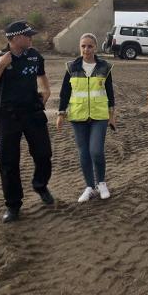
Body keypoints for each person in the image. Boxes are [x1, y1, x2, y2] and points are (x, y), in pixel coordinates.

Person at [0, 20, 54, 223]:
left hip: (32, 112)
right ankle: (13, 205)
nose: (31, 38)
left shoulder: (34, 55)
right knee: (8, 161)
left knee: (44, 153)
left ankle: (40, 185)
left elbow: (42, 75)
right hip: (8, 116)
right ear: (15, 38)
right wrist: (2, 65)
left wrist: (46, 90)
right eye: (28, 35)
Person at [57, 33, 116, 202]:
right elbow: (65, 93)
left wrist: (112, 115)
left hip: (99, 114)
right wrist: (61, 114)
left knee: (96, 151)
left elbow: (110, 93)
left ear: (95, 48)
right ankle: (90, 187)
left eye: (90, 46)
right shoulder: (72, 67)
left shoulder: (104, 67)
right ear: (79, 47)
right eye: (83, 46)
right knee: (84, 153)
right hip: (78, 115)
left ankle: (102, 183)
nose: (86, 49)